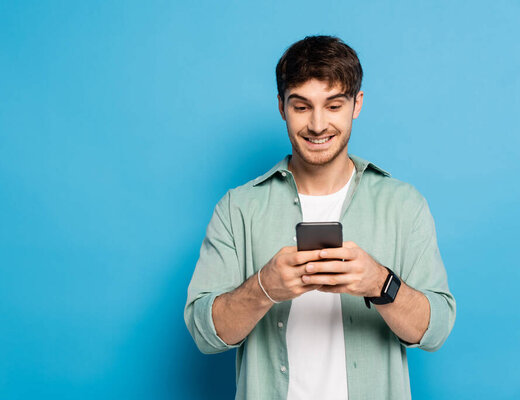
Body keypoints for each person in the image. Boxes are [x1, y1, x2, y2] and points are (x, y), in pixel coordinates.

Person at [184, 35, 455, 400]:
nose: (316, 124)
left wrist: (380, 283)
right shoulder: (238, 208)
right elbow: (204, 334)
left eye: (333, 105)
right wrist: (263, 287)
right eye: (301, 107)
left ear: (357, 104)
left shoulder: (403, 205)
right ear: (281, 106)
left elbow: (435, 331)